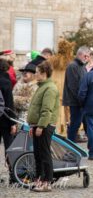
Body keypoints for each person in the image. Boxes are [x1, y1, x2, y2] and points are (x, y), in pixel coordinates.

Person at [27, 61, 59, 192]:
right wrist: (33, 126)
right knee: (38, 155)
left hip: (45, 125)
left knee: (45, 154)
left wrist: (40, 126)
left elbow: (46, 110)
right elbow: (36, 108)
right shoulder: (42, 86)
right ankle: (39, 180)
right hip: (38, 125)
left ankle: (47, 182)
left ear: (44, 74)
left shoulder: (50, 88)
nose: (35, 75)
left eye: (37, 72)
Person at [63, 46, 90, 142]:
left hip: (81, 100)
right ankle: (71, 144)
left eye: (88, 57)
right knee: (75, 123)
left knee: (81, 123)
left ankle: (74, 143)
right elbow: (73, 86)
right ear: (79, 54)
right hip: (75, 101)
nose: (87, 58)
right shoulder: (72, 66)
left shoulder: (82, 67)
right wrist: (81, 99)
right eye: (85, 56)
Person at [0, 59, 17, 154]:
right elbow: (9, 102)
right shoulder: (6, 81)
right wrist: (13, 123)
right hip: (5, 118)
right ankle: (11, 167)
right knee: (9, 146)